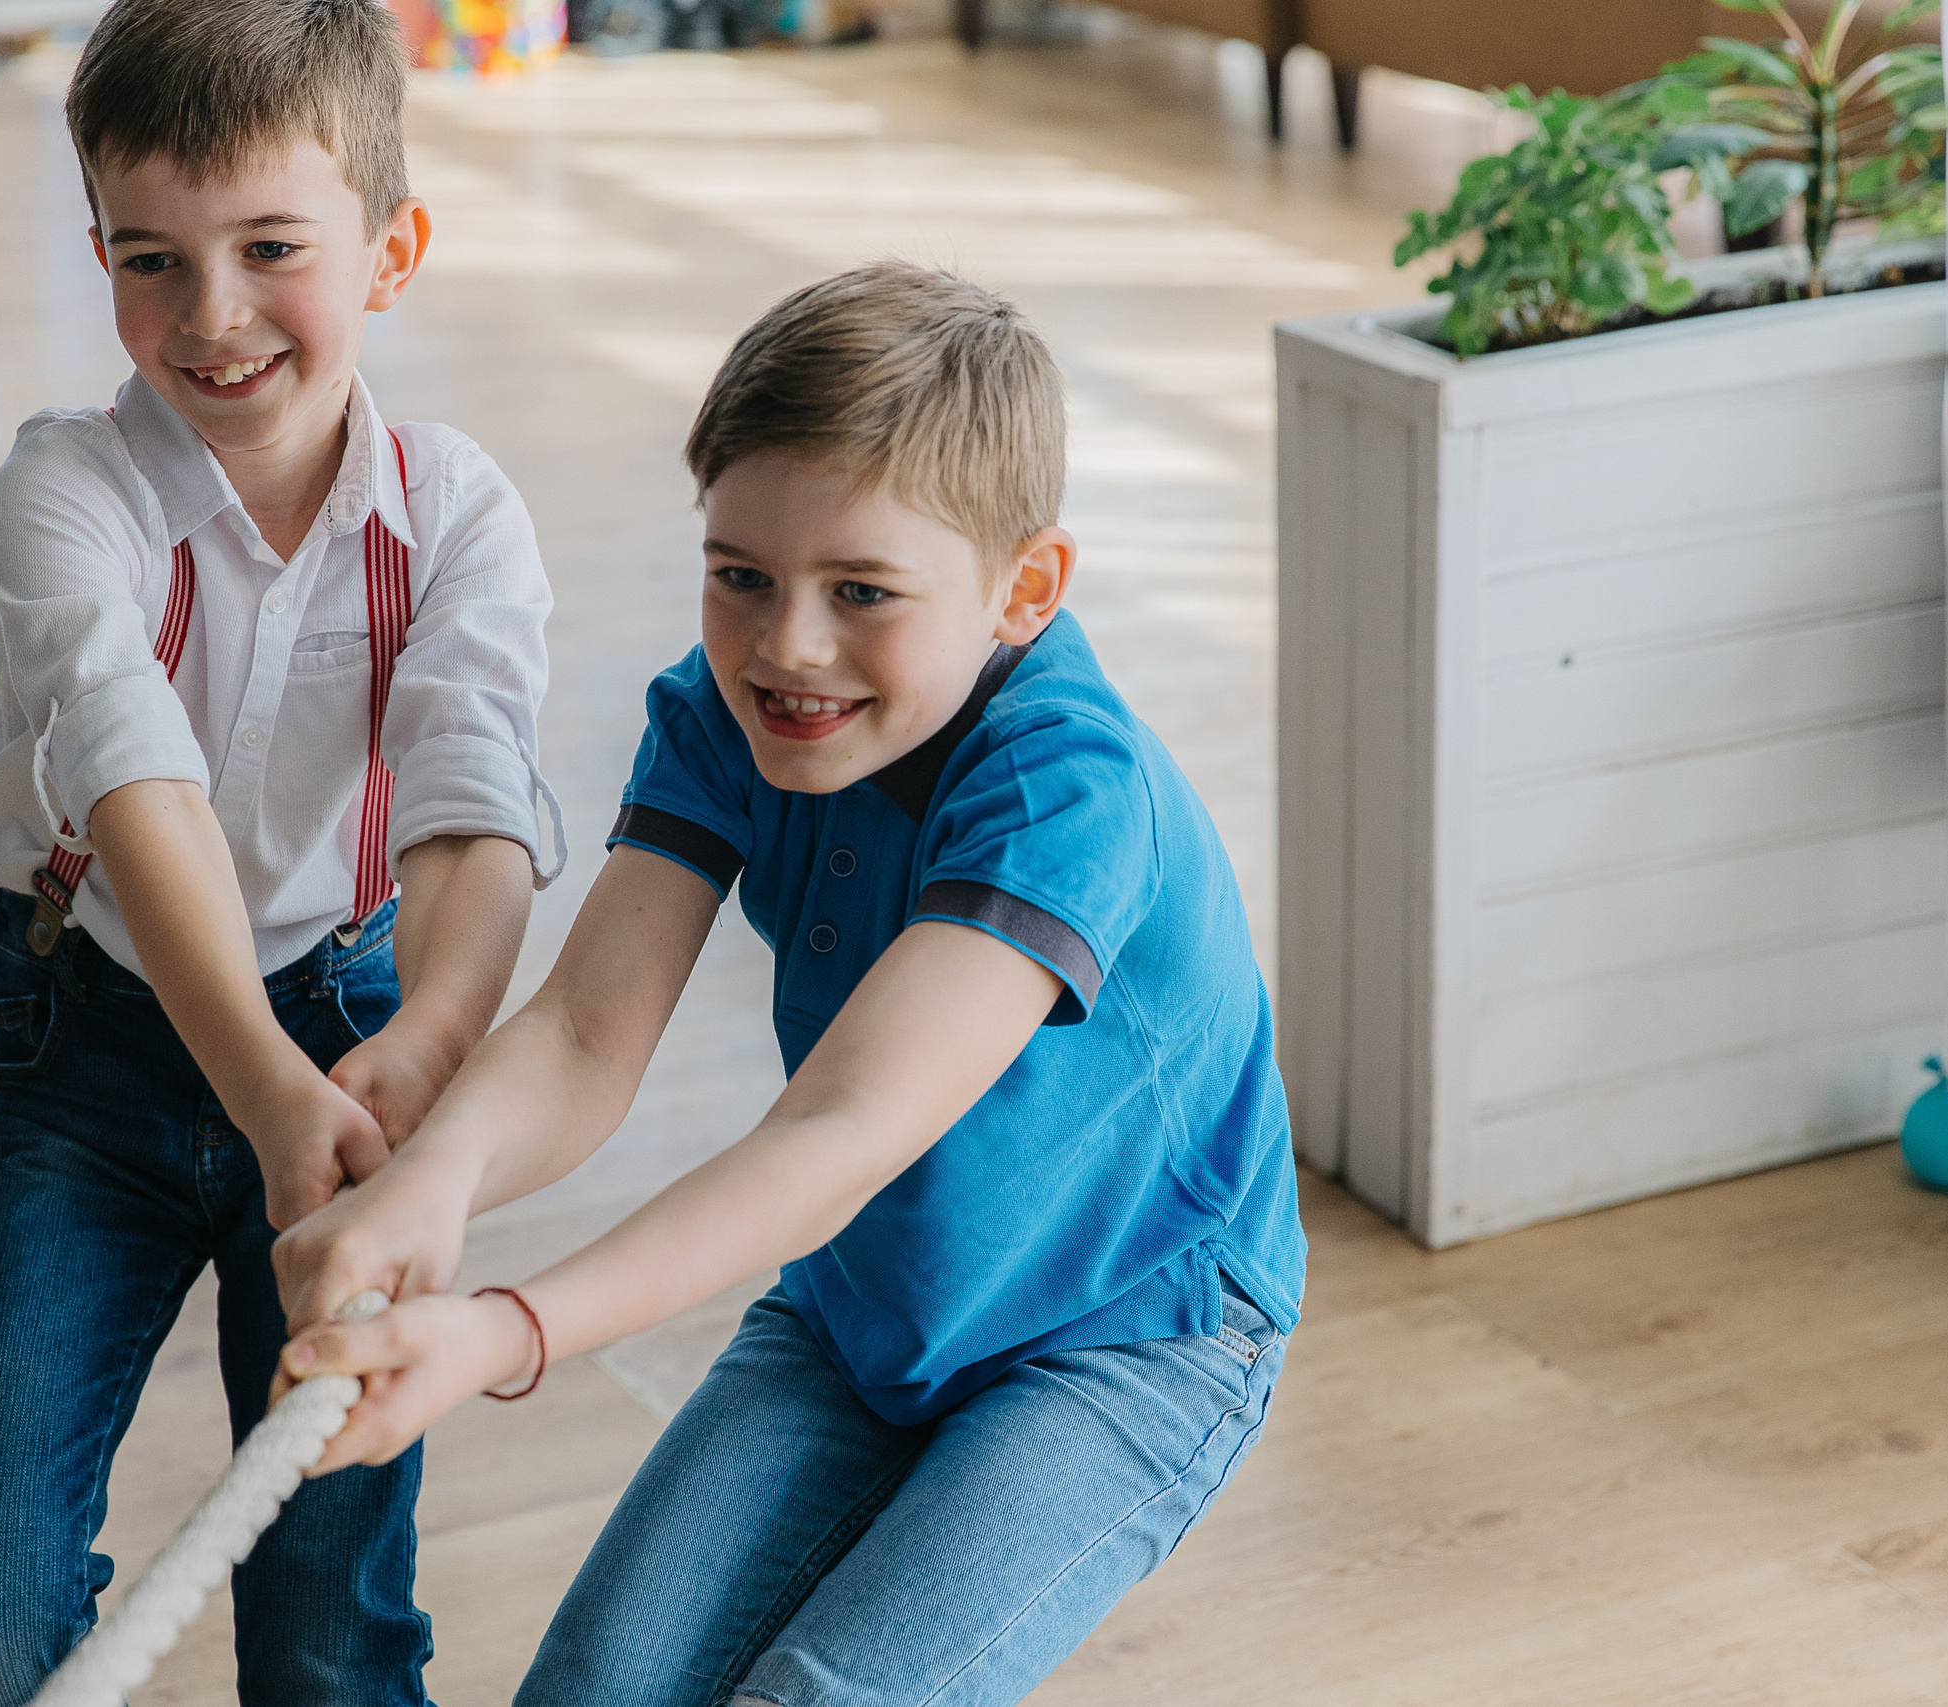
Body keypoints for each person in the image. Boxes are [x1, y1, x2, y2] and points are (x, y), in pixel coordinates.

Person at [273, 261, 1306, 1707]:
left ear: (1027, 589)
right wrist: (431, 1181)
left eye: (861, 591)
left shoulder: (1073, 788)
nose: (786, 647)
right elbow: (581, 1031)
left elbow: (840, 1134)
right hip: (868, 1300)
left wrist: (508, 1328)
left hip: (1126, 1335)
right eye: (739, 574)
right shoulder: (715, 716)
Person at [0, 0, 563, 1700]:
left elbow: (478, 816)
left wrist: (418, 1052)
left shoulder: (459, 514)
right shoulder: (63, 494)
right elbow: (136, 791)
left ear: (392, 249)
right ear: (97, 250)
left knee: (334, 1627)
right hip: (95, 1053)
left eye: (273, 247)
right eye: (151, 258)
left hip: (353, 1031)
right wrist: (262, 1089)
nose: (214, 316)